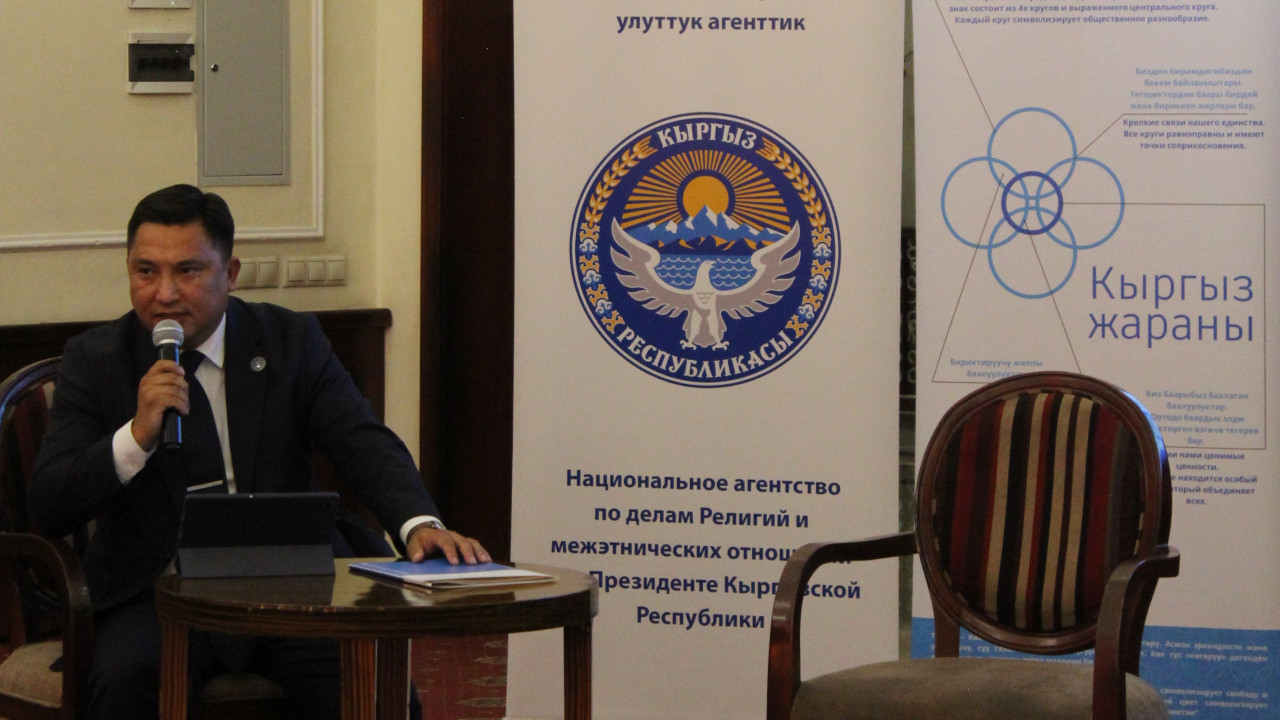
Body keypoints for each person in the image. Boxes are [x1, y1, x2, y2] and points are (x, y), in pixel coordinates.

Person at [29, 184, 489, 719]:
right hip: (156, 592)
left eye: (188, 270)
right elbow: (50, 502)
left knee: (370, 683)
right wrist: (136, 436)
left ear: (231, 273)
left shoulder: (290, 340)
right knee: (125, 681)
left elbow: (361, 440)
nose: (164, 293)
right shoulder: (96, 359)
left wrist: (418, 523)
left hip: (291, 583)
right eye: (146, 271)